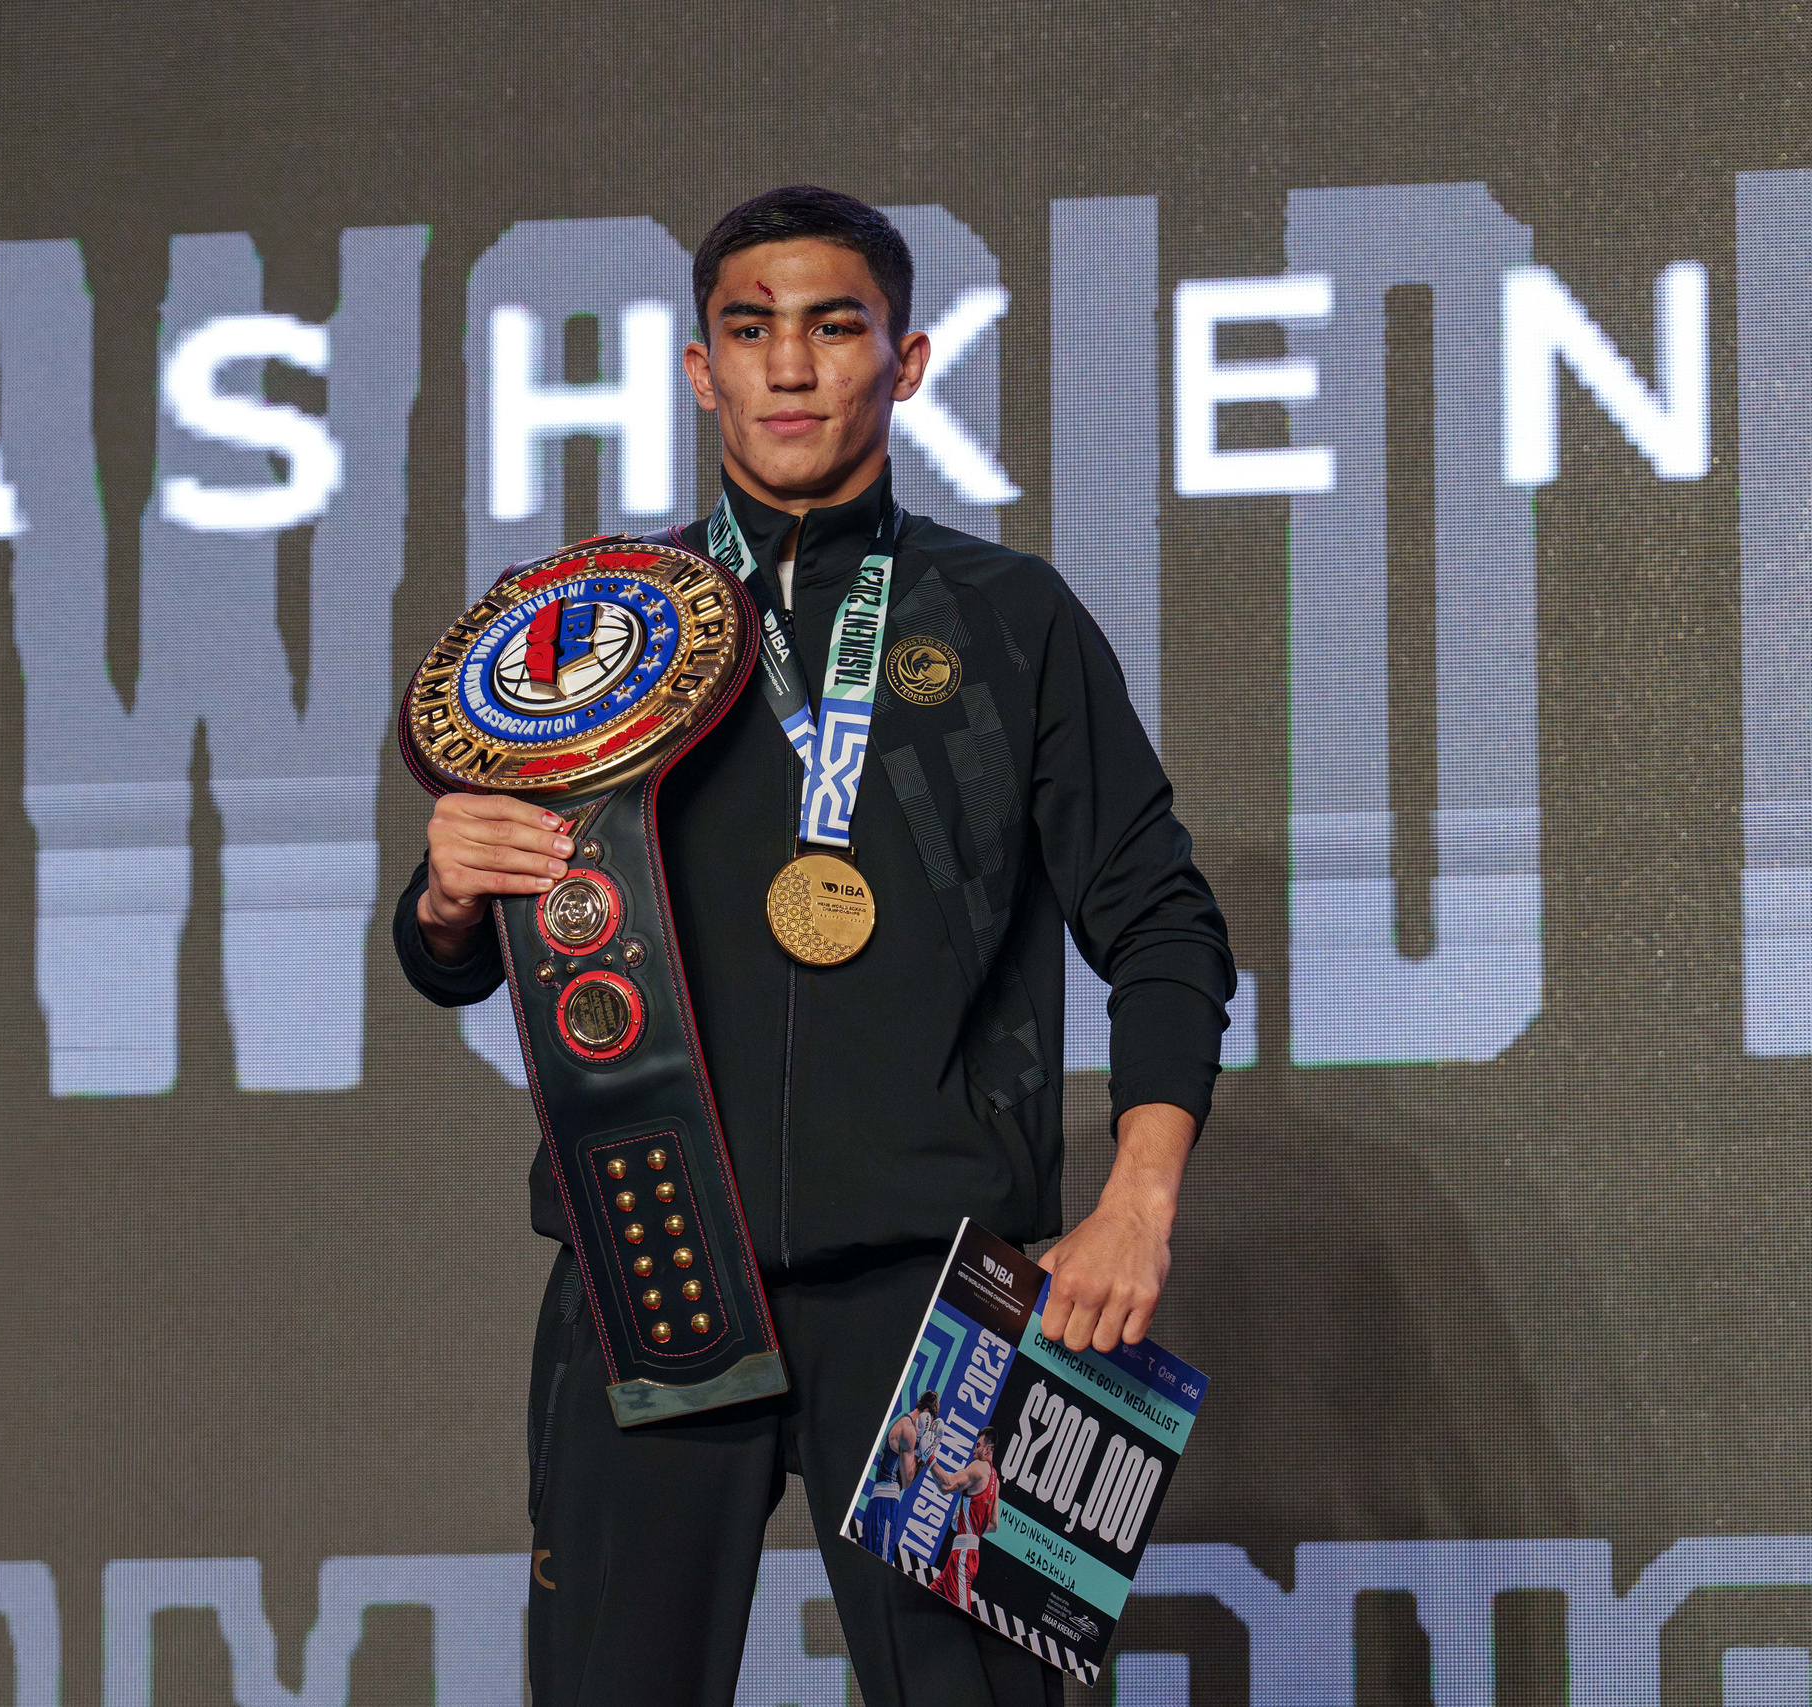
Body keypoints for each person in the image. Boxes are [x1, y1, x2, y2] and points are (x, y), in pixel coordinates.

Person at [393, 185, 1234, 1707]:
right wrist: (448, 891)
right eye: (750, 329)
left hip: (941, 1290)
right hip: (643, 1257)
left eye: (834, 326)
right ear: (701, 369)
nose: (791, 365)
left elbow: (1163, 918)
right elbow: (468, 946)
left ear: (903, 362)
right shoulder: (589, 630)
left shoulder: (1010, 619)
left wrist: (1139, 1203)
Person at [864, 1390, 942, 1562]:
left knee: (868, 1560)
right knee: (882, 1562)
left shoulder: (902, 1421)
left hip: (877, 1499)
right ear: (926, 1415)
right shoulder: (909, 1431)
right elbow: (907, 1481)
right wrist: (922, 1456)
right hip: (886, 1502)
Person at [929, 1428, 1001, 1613]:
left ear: (987, 1449)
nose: (973, 1451)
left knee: (962, 1620)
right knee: (924, 1601)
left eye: (977, 1446)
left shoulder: (978, 1466)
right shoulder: (996, 1480)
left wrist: (929, 1457)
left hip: (962, 1556)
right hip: (968, 1554)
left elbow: (947, 1485)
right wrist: (968, 1527)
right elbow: (993, 1525)